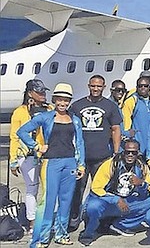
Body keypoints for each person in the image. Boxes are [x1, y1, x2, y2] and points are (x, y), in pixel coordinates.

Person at [18, 83, 86, 248]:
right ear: (54, 100)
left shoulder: (74, 119)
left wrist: (81, 164)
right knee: (47, 201)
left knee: (66, 200)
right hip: (51, 162)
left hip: (69, 162)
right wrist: (36, 146)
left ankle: (61, 234)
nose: (63, 103)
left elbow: (79, 143)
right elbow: (22, 131)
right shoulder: (46, 117)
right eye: (60, 100)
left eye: (66, 100)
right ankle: (40, 239)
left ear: (69, 101)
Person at [69, 75, 122, 231]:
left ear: (104, 87)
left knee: (102, 191)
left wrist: (117, 152)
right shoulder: (77, 106)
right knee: (77, 191)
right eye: (93, 86)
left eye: (99, 86)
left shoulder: (110, 106)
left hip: (102, 157)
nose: (96, 89)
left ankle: (100, 221)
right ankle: (73, 220)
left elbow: (116, 129)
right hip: (81, 159)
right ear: (89, 86)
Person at [78, 139, 150, 245]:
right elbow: (96, 188)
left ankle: (120, 225)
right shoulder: (111, 164)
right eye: (127, 152)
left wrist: (141, 184)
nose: (130, 155)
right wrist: (115, 199)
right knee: (93, 207)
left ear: (138, 153)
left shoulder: (142, 167)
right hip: (107, 202)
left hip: (127, 201)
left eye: (133, 152)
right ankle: (88, 234)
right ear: (122, 152)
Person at [9, 79, 50, 235]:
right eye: (39, 92)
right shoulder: (20, 112)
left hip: (46, 154)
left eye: (44, 92)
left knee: (49, 188)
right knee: (32, 188)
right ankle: (32, 222)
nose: (43, 95)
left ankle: (46, 219)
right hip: (27, 156)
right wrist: (13, 161)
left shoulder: (49, 109)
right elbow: (14, 136)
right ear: (30, 93)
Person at [122, 72, 150, 156]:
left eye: (145, 86)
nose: (143, 88)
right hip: (138, 140)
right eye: (140, 86)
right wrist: (127, 133)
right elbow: (126, 118)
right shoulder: (132, 100)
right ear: (136, 87)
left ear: (149, 86)